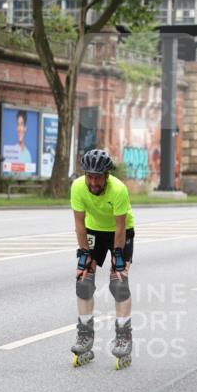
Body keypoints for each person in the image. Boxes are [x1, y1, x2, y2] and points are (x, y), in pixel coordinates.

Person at [70, 148, 136, 369]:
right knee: (83, 283)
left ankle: (124, 336)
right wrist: (84, 253)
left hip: (121, 231)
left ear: (107, 175)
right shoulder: (78, 187)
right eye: (90, 176)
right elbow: (79, 223)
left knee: (119, 284)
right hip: (93, 230)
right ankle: (85, 335)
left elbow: (120, 227)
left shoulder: (119, 190)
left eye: (98, 177)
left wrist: (118, 256)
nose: (93, 182)